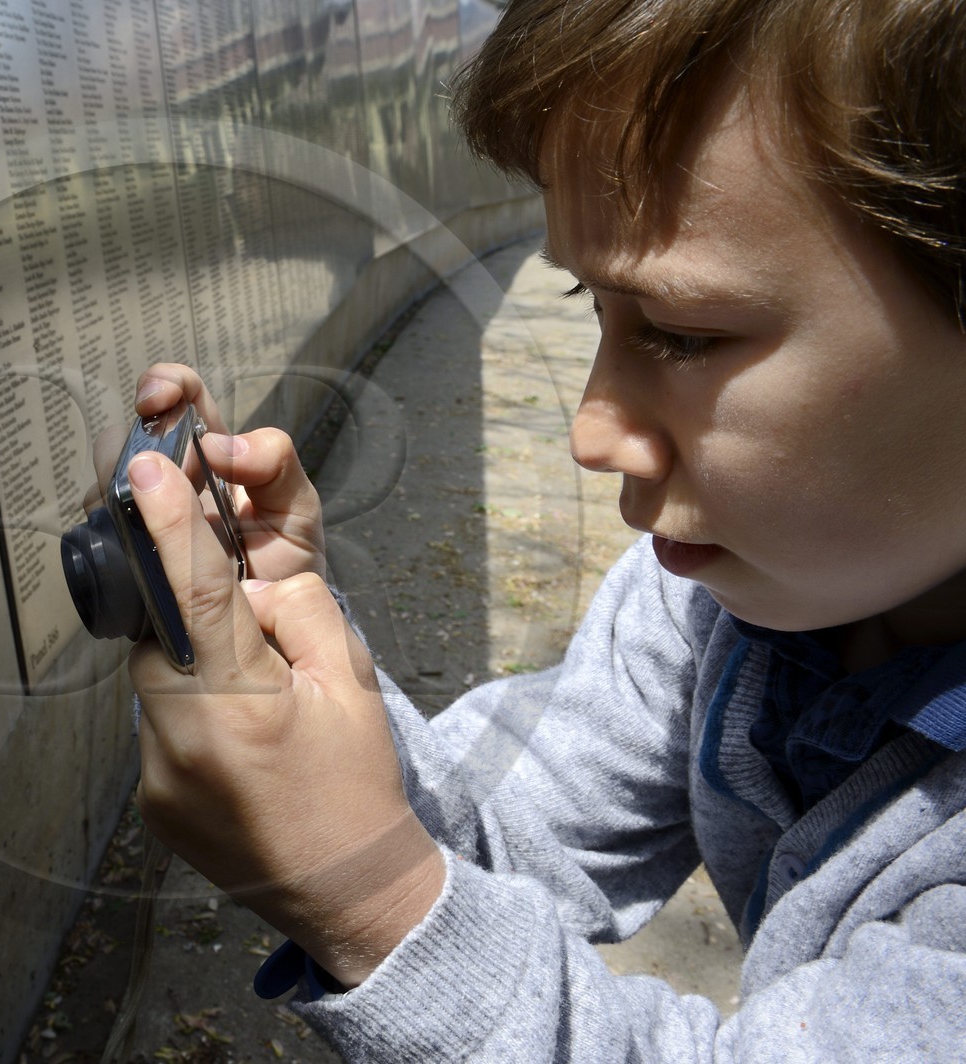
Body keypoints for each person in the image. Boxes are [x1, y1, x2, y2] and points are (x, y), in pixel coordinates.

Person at [115, 0, 966, 1058]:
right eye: (594, 307)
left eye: (685, 333)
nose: (590, 431)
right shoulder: (713, 602)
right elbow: (515, 828)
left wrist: (369, 900)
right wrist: (299, 665)